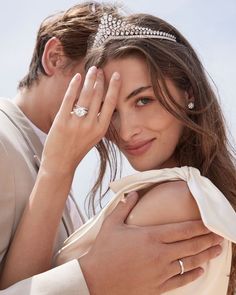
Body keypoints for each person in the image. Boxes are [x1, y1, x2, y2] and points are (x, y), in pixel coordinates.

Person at [0, 3, 223, 295]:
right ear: (54, 57)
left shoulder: (172, 199)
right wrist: (91, 278)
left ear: (188, 93)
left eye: (142, 100)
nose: (121, 127)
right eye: (101, 93)